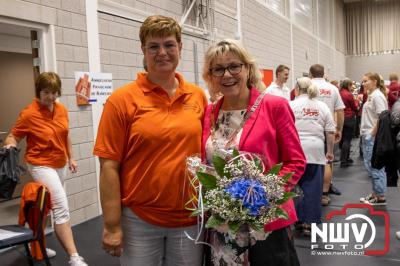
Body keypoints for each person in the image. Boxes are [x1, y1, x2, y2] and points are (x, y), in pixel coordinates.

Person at [93, 15, 207, 265]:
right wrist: (112, 226)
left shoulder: (197, 96)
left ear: (180, 47)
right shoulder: (122, 100)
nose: (162, 52)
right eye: (153, 46)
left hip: (189, 217)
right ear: (143, 50)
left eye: (169, 45)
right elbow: (109, 167)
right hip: (139, 220)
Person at [201, 39, 306, 265]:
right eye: (218, 69)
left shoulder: (274, 106)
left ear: (247, 68)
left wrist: (262, 196)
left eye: (234, 66)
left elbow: (295, 162)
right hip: (223, 225)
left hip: (265, 222)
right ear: (211, 75)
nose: (227, 75)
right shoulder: (209, 112)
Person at [3, 72, 87, 266]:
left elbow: (65, 135)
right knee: (61, 208)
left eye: (54, 92)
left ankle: (38, 247)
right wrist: (9, 146)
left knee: (46, 208)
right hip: (39, 164)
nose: (51, 96)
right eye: (46, 92)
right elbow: (14, 136)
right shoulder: (29, 113)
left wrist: (71, 157)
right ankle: (74, 257)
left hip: (59, 163)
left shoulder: (62, 110)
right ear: (38, 91)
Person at [290, 77, 335, 236]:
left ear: (296, 89)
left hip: (294, 152)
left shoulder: (291, 105)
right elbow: (330, 131)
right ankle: (310, 223)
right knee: (313, 190)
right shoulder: (322, 106)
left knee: (294, 189)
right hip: (315, 151)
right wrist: (329, 151)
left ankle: (297, 220)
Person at [309, 64, 345, 205]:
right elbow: (340, 111)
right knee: (327, 160)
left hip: (310, 127)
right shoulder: (333, 88)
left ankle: (310, 190)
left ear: (311, 74)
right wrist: (339, 129)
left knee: (309, 160)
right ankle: (324, 194)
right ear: (323, 74)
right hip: (328, 128)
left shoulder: (307, 85)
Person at [359, 72, 388, 205]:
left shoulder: (377, 96)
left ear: (374, 81)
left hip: (373, 136)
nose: (363, 83)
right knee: (371, 166)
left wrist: (372, 135)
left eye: (366, 81)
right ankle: (376, 193)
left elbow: (382, 118)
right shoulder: (371, 96)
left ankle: (380, 196)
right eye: (363, 81)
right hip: (367, 135)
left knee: (376, 167)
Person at [339, 79, 358, 168]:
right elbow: (354, 107)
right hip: (349, 118)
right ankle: (344, 160)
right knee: (347, 140)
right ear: (348, 85)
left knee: (342, 139)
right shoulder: (348, 94)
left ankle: (345, 158)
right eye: (351, 85)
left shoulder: (339, 93)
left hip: (340, 118)